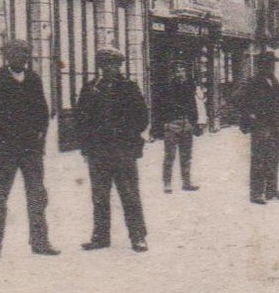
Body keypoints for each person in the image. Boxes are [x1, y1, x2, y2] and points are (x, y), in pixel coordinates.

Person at [0, 40, 61, 262]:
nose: (21, 59)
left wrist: (41, 135)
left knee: (37, 195)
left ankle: (40, 242)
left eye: (25, 55)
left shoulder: (33, 79)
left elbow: (43, 112)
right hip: (5, 150)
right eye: (16, 55)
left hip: (31, 149)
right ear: (6, 57)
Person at [75, 49, 150, 252]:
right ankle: (100, 237)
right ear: (100, 66)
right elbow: (80, 119)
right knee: (99, 196)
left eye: (113, 64)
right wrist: (87, 145)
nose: (109, 68)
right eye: (105, 64)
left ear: (119, 66)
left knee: (129, 194)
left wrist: (127, 135)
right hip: (98, 152)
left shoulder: (129, 88)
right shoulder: (90, 89)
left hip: (123, 151)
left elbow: (142, 117)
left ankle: (138, 237)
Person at [237, 51, 279, 205]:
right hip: (260, 125)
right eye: (268, 63)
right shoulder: (254, 81)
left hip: (273, 125)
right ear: (262, 65)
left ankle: (271, 190)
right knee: (259, 159)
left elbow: (278, 100)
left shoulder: (273, 80)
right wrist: (250, 114)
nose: (271, 66)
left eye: (272, 63)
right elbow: (238, 98)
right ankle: (256, 194)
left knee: (274, 157)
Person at [153, 59, 201, 194]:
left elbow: (193, 105)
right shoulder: (168, 87)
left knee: (186, 155)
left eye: (182, 70)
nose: (180, 73)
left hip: (186, 123)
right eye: (177, 71)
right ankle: (167, 183)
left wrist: (195, 122)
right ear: (173, 73)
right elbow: (159, 107)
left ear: (185, 72)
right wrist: (162, 125)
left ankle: (187, 182)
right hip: (172, 124)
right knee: (170, 155)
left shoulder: (189, 86)